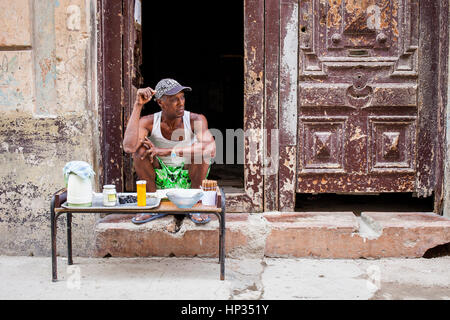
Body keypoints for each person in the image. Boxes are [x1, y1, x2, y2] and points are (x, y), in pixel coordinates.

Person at [123, 78, 216, 224]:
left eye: (182, 97)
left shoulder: (195, 119)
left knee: (201, 152)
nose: (181, 103)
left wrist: (165, 151)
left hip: (189, 178)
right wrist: (138, 105)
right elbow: (129, 147)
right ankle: (152, 204)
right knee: (140, 150)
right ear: (161, 103)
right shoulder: (148, 121)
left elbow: (211, 149)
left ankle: (196, 204)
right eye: (174, 99)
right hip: (158, 179)